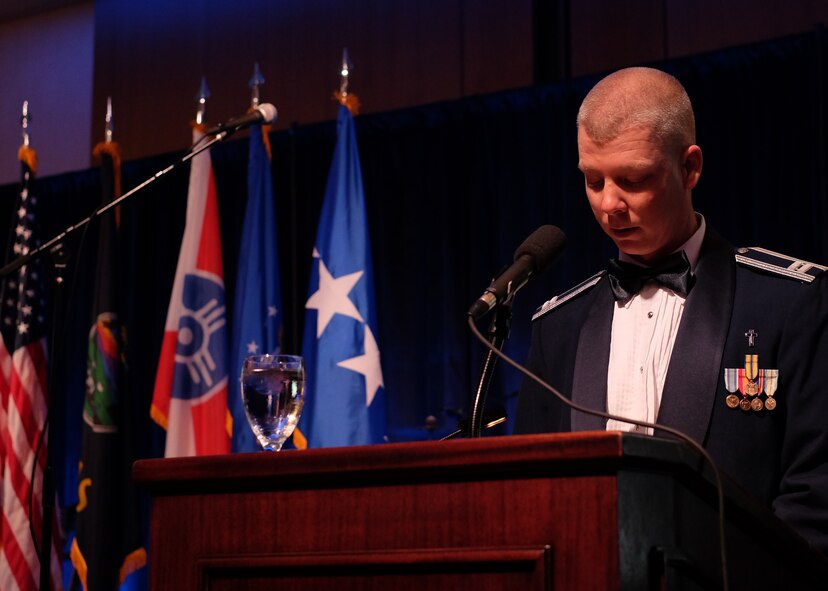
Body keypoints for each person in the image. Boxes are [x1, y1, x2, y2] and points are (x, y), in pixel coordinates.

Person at [513, 66, 828, 556]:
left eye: (633, 179)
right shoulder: (557, 327)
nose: (609, 205)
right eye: (593, 181)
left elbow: (815, 496)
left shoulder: (790, 303)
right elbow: (531, 499)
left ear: (690, 168)